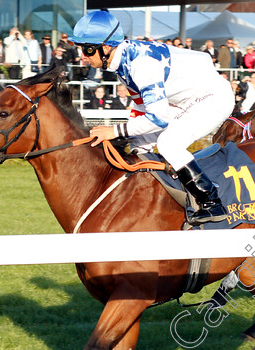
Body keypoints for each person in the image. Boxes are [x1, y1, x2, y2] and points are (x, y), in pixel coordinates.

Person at [74, 10, 232, 224]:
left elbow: (158, 119)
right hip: (181, 101)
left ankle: (211, 202)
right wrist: (127, 138)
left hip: (212, 97)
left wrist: (114, 131)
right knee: (139, 145)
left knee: (169, 143)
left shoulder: (141, 65)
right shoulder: (121, 63)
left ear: (106, 47)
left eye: (87, 49)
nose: (81, 56)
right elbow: (145, 112)